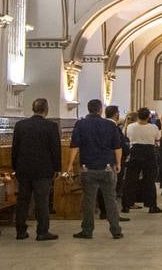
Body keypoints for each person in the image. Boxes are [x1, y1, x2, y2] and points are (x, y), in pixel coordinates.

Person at [67, 98, 124, 239]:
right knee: (110, 200)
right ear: (100, 110)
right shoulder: (110, 125)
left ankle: (87, 230)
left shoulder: (80, 124)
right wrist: (118, 164)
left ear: (88, 109)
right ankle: (116, 230)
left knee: (88, 201)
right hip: (106, 167)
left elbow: (75, 146)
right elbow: (117, 147)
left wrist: (69, 165)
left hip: (88, 168)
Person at [11, 97, 63, 241]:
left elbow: (15, 148)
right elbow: (55, 149)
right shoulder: (51, 126)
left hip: (23, 169)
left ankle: (20, 231)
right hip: (43, 170)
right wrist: (57, 168)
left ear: (33, 109)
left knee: (23, 201)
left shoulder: (21, 125)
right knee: (42, 201)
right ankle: (42, 232)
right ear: (46, 110)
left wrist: (15, 167)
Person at [122, 108, 162, 214]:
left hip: (135, 151)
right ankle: (152, 206)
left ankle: (126, 205)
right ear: (149, 117)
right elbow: (158, 138)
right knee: (149, 180)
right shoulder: (153, 127)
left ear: (138, 116)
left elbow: (126, 136)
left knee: (130, 180)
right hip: (149, 152)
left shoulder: (131, 126)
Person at [97, 105, 131, 223]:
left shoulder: (99, 125)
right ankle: (112, 214)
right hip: (113, 160)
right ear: (116, 114)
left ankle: (103, 212)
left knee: (102, 189)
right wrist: (127, 153)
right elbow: (119, 144)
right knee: (113, 189)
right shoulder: (113, 127)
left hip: (98, 160)